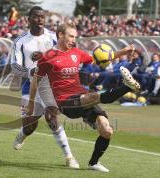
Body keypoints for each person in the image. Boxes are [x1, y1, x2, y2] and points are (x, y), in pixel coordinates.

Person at [26, 23, 140, 172]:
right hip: (65, 102)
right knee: (92, 96)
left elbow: (101, 59)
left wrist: (123, 51)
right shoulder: (48, 57)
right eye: (71, 36)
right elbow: (35, 80)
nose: (74, 39)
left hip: (81, 95)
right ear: (60, 35)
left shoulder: (76, 52)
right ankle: (126, 87)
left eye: (75, 37)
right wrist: (30, 104)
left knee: (107, 130)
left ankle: (93, 163)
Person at [11, 6, 79, 168]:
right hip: (31, 85)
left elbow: (66, 54)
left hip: (51, 85)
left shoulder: (53, 37)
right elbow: (15, 67)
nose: (40, 19)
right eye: (36, 17)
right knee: (30, 126)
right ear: (28, 20)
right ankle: (23, 134)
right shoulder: (20, 42)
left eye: (42, 17)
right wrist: (32, 70)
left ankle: (69, 157)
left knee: (51, 118)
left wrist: (46, 59)